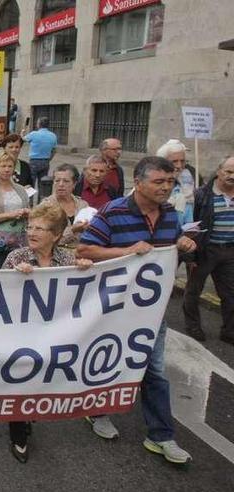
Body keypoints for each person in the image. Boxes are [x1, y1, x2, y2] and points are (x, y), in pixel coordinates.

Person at [77, 156, 197, 464]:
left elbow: (171, 253)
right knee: (109, 361)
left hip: (151, 312)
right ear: (138, 182)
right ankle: (98, 411)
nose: (166, 188)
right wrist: (126, 251)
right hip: (114, 308)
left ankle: (161, 435)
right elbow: (86, 250)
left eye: (170, 182)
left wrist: (184, 242)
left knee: (154, 371)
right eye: (159, 182)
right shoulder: (112, 213)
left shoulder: (171, 215)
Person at [2, 203, 92, 462]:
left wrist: (87, 269)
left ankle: (29, 413)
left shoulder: (66, 259)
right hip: (21, 333)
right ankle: (17, 433)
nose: (31, 232)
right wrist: (14, 278)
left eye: (39, 228)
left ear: (55, 235)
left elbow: (85, 289)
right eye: (29, 227)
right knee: (19, 379)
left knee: (40, 377)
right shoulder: (16, 258)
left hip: (55, 334)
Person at [184, 156, 234, 344]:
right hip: (205, 250)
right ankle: (193, 326)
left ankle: (229, 331)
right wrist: (190, 255)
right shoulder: (201, 195)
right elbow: (190, 226)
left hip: (229, 252)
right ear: (219, 171)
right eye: (228, 172)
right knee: (193, 290)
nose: (232, 176)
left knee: (230, 293)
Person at [0, 152, 30, 268]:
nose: (7, 169)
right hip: (0, 242)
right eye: (3, 166)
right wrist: (11, 215)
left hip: (20, 240)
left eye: (10, 166)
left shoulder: (20, 189)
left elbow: (29, 209)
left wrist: (27, 212)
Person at [40, 163, 90, 251]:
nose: (61, 184)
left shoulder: (83, 205)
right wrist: (73, 230)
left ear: (74, 184)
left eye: (66, 181)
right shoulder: (45, 206)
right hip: (55, 255)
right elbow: (45, 240)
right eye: (57, 181)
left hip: (81, 254)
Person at [158, 139, 196, 225]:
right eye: (174, 161)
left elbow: (188, 217)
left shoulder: (187, 185)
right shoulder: (151, 184)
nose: (179, 166)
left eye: (182, 161)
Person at [21, 117, 58, 191]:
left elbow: (22, 139)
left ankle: (30, 201)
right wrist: (49, 158)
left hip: (34, 161)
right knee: (43, 183)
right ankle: (42, 200)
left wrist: (22, 133)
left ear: (39, 124)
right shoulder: (53, 135)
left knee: (31, 184)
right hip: (46, 161)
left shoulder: (33, 134)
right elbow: (54, 150)